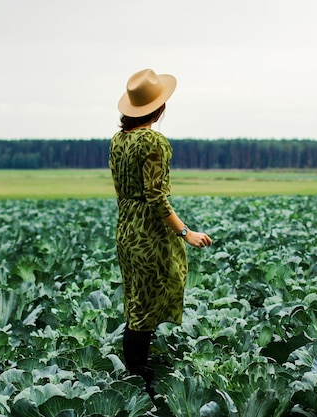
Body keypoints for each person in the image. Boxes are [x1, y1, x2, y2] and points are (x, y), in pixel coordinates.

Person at [109, 68, 213, 399]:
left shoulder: (119, 140)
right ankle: (140, 381)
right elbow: (156, 197)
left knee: (136, 302)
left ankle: (135, 377)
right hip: (148, 234)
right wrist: (186, 233)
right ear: (159, 109)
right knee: (144, 307)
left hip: (126, 228)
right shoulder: (153, 141)